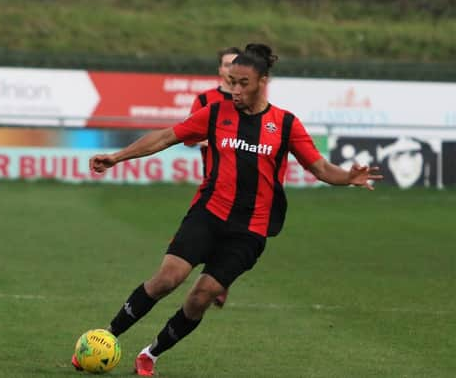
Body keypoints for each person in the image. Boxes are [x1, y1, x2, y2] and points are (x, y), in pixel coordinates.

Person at [78, 44, 382, 376]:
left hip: (250, 230)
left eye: (243, 83)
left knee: (201, 296)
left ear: (262, 81)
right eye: (231, 81)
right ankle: (104, 338)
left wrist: (347, 177)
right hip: (208, 214)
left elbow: (321, 168)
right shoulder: (215, 113)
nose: (235, 90)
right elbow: (166, 137)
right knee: (167, 279)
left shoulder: (285, 124)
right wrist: (117, 157)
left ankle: (151, 354)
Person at [188, 45, 242, 308]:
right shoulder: (205, 100)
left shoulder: (249, 102)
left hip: (244, 184)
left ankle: (219, 281)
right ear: (219, 69)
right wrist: (210, 140)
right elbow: (188, 136)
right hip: (213, 180)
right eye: (226, 64)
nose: (231, 69)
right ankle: (216, 281)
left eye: (236, 64)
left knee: (233, 234)